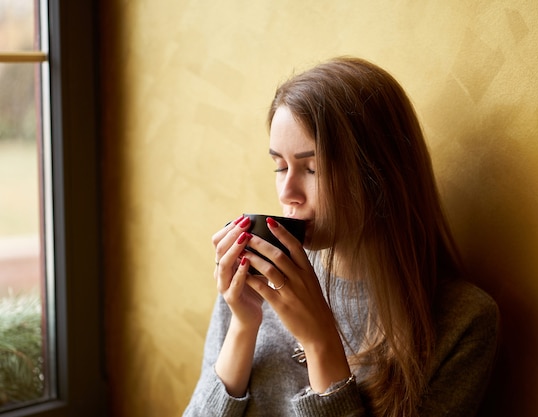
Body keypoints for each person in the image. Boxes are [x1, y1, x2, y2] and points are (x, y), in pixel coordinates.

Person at [183, 56, 499, 417]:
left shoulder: (464, 322)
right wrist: (243, 325)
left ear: (378, 174)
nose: (287, 192)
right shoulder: (256, 279)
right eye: (280, 166)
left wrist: (320, 344)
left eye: (312, 168)